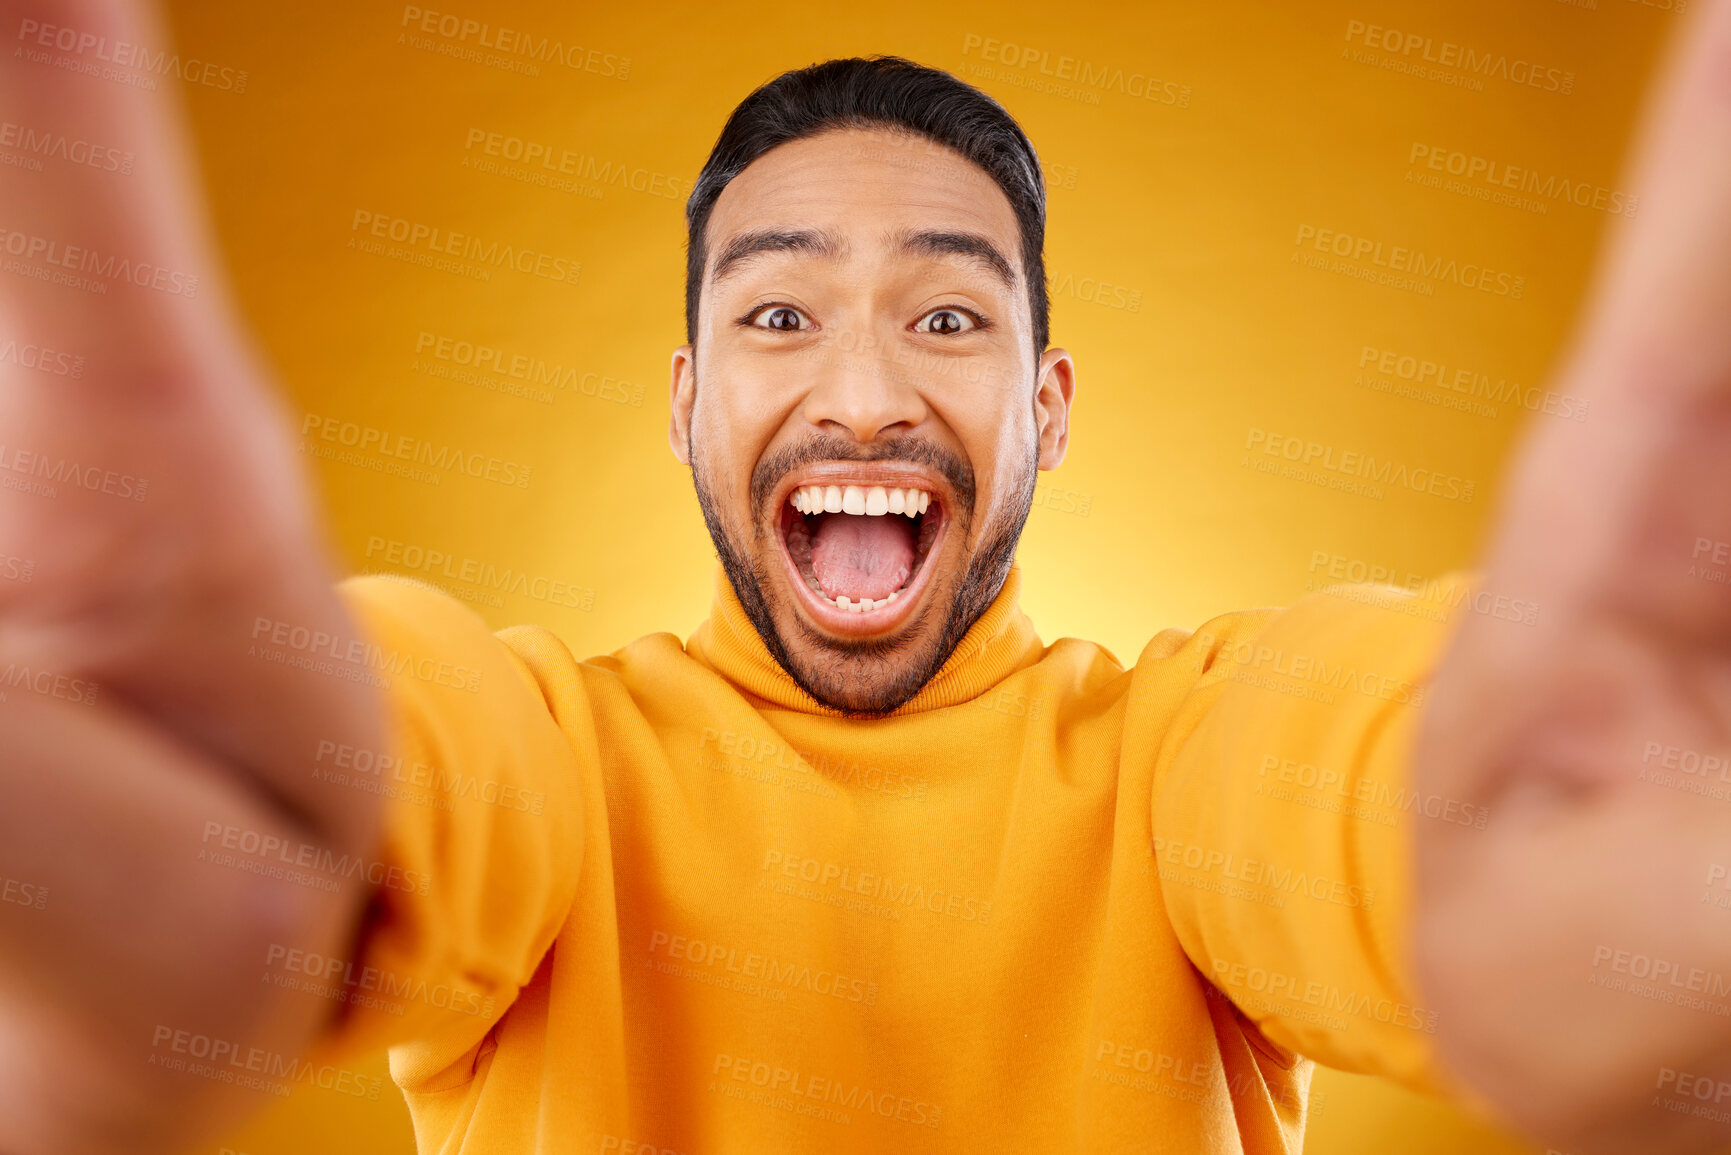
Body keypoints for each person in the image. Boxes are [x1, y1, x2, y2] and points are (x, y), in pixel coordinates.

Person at [3, 1, 1730, 1152]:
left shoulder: (1185, 759)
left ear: (1046, 408)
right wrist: (270, 828)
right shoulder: (555, 757)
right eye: (776, 315)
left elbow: (1333, 778)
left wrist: (1512, 826)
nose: (862, 393)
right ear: (686, 405)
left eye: (951, 316)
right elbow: (426, 771)